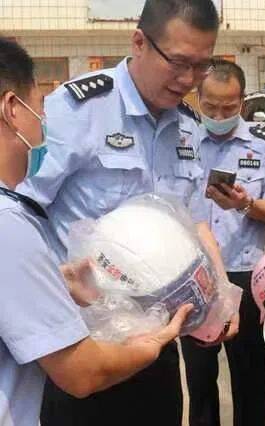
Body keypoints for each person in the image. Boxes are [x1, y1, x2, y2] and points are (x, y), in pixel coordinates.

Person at [17, 1, 237, 425]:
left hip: (158, 346)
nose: (188, 79)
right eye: (178, 62)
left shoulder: (188, 126)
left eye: (202, 66)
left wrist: (221, 297)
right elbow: (22, 211)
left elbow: (193, 221)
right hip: (82, 347)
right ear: (139, 42)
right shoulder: (76, 110)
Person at [0, 37, 194, 426]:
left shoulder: (188, 127)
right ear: (11, 109)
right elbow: (82, 372)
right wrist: (151, 343)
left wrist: (51, 283)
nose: (43, 127)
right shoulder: (8, 223)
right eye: (40, 111)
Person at [187, 59, 265, 426]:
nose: (218, 114)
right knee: (199, 374)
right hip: (194, 277)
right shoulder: (181, 141)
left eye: (228, 107)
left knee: (249, 373)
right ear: (198, 98)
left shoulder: (264, 145)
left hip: (244, 275)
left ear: (242, 102)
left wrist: (245, 203)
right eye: (210, 106)